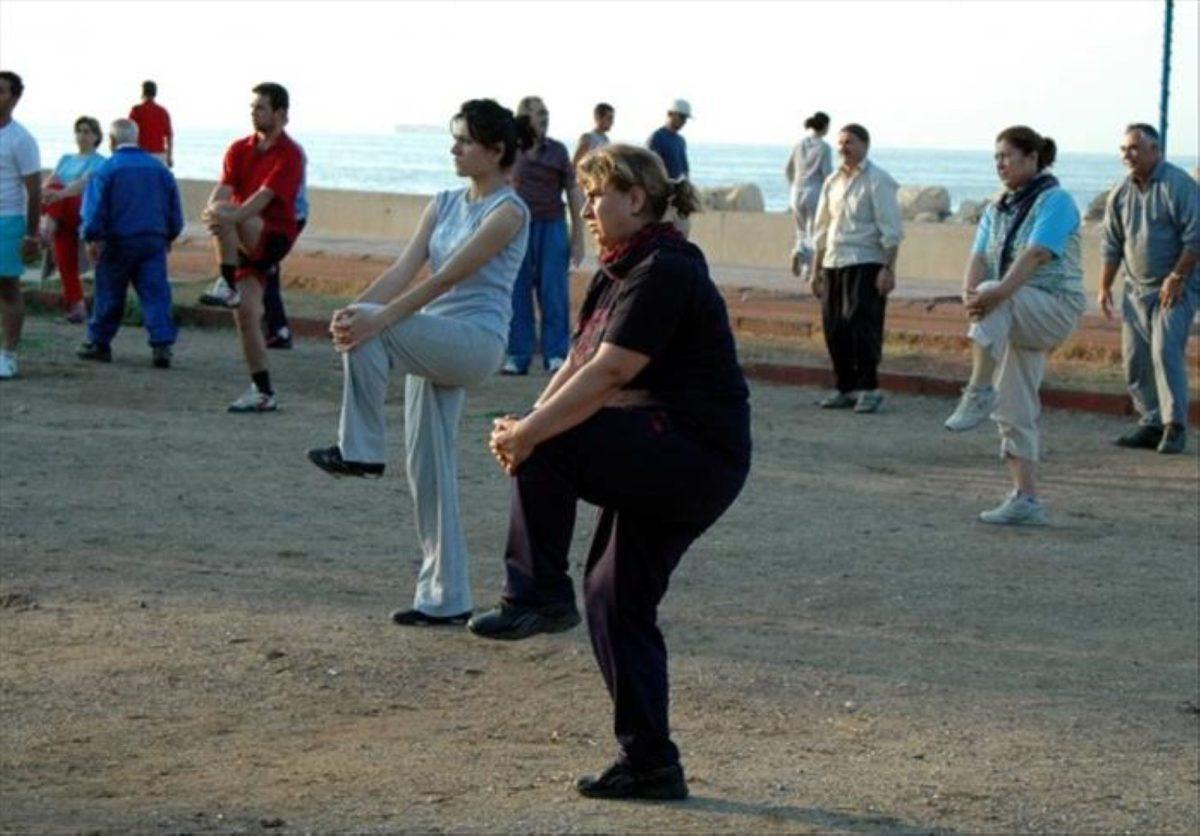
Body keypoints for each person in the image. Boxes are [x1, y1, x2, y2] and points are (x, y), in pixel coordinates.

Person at [468, 145, 751, 802]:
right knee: (613, 600)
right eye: (586, 195)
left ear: (637, 199)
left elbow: (611, 372)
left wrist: (532, 436)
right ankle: (651, 762)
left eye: (598, 195)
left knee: (555, 445)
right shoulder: (617, 270)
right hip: (659, 451)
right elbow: (576, 362)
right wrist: (524, 423)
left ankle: (536, 593)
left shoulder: (666, 268)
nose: (587, 208)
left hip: (694, 452)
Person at [307, 99, 530, 626]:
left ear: (496, 151)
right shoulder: (444, 201)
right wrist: (352, 312)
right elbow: (405, 270)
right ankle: (445, 598)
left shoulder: (509, 211)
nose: (454, 149)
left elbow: (445, 279)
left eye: (464, 141)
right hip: (430, 335)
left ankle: (359, 450)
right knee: (427, 469)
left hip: (473, 343)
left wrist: (375, 322)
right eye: (453, 139)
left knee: (373, 326)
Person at [942, 126, 1085, 525]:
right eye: (997, 158)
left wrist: (994, 292)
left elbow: (1038, 254)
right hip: (1013, 308)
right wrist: (971, 295)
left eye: (1007, 155)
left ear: (1032, 158)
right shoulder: (996, 208)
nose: (1000, 164)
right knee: (1015, 403)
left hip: (1054, 305)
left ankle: (977, 389)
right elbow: (979, 256)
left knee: (993, 292)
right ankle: (1026, 498)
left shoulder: (1055, 200)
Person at [197, 82, 304, 413]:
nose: (254, 113)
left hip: (272, 234)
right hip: (241, 237)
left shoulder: (290, 154)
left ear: (281, 114)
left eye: (261, 107)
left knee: (229, 213)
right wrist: (213, 211)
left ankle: (225, 283)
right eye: (253, 107)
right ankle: (263, 391)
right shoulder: (239, 149)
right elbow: (224, 188)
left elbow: (263, 199)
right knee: (247, 315)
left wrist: (225, 217)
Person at [1099, 123, 1198, 455]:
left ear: (1155, 151)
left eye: (1135, 148)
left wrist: (1177, 277)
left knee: (1165, 350)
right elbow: (1112, 243)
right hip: (1135, 288)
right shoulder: (1121, 193)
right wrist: (1104, 287)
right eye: (1124, 149)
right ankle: (1151, 422)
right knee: (1136, 358)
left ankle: (1175, 427)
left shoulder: (1178, 185)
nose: (1128, 155)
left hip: (1178, 285)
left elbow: (1196, 236)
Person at [810, 123, 903, 414]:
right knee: (834, 326)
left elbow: (892, 230)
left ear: (864, 145)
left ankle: (869, 388)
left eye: (849, 142)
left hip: (866, 261)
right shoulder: (832, 182)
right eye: (840, 143)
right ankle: (845, 387)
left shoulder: (878, 180)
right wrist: (816, 270)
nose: (843, 148)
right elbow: (821, 228)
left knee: (861, 324)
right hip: (833, 262)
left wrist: (888, 269)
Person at [76, 119, 183, 368]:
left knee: (110, 293)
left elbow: (94, 210)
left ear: (111, 141)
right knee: (155, 293)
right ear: (136, 138)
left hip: (118, 240)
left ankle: (99, 342)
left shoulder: (107, 169)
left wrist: (91, 236)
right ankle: (161, 344)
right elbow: (174, 211)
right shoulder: (160, 170)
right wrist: (168, 236)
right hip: (152, 240)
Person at [501, 95, 584, 376]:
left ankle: (556, 355)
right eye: (539, 113)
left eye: (546, 112)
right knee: (517, 293)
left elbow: (573, 192)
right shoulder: (511, 150)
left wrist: (578, 239)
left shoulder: (558, 151)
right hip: (518, 229)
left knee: (554, 293)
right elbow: (500, 189)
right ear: (525, 118)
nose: (545, 117)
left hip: (552, 227)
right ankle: (518, 355)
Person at [40, 116, 105, 323]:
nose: (82, 135)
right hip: (59, 212)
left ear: (96, 136)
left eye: (87, 131)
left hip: (81, 208)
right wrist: (42, 192)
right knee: (63, 258)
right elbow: (50, 181)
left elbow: (83, 184)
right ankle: (77, 307)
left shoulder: (100, 161)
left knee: (58, 190)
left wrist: (58, 194)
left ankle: (45, 229)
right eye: (79, 131)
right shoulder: (65, 158)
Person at [0, 70, 41, 381]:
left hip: (8, 219)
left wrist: (31, 233)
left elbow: (34, 189)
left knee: (7, 287)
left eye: (1, 91)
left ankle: (9, 355)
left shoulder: (21, 139)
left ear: (14, 97)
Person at [262, 138, 308, 350]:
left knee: (266, 269)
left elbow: (274, 193)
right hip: (285, 217)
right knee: (267, 270)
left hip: (288, 218)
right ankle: (276, 329)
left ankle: (279, 330)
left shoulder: (289, 153)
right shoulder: (285, 150)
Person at [784, 111, 832, 279]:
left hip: (797, 190)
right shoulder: (824, 148)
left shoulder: (798, 145)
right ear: (825, 127)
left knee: (801, 230)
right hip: (814, 191)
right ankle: (807, 271)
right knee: (814, 231)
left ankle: (798, 251)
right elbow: (827, 174)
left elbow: (788, 169)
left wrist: (793, 185)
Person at [128, 80, 173, 168]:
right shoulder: (162, 112)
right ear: (155, 93)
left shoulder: (136, 111)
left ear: (142, 92)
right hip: (159, 154)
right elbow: (169, 136)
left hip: (140, 153)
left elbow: (129, 134)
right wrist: (169, 156)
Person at [646, 99, 691, 180]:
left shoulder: (681, 141)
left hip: (679, 189)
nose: (684, 121)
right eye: (681, 116)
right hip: (663, 189)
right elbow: (649, 169)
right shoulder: (657, 137)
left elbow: (685, 169)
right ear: (670, 114)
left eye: (686, 118)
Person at [572, 102, 614, 167]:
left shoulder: (606, 139)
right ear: (598, 118)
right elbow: (574, 164)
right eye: (609, 118)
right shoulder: (587, 138)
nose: (612, 122)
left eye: (612, 118)